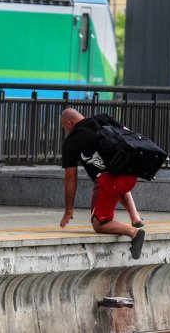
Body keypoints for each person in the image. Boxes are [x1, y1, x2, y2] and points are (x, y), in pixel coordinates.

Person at [59, 108, 146, 260]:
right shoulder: (103, 118)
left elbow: (71, 178)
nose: (65, 130)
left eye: (64, 127)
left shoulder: (70, 143)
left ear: (68, 122)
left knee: (99, 224)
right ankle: (135, 218)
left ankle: (134, 233)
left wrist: (69, 210)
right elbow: (130, 135)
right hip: (130, 173)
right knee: (117, 183)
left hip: (109, 182)